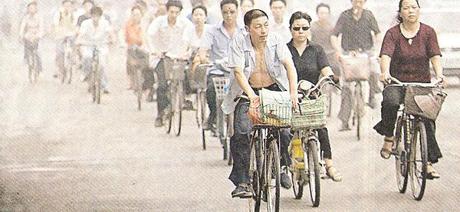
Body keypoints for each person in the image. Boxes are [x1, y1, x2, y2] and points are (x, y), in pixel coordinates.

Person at [223, 9, 298, 198]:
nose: (263, 30)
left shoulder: (276, 40)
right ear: (248, 29)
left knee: (285, 129)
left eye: (265, 25)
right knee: (241, 131)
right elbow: (239, 73)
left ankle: (281, 166)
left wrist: (293, 93)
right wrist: (252, 96)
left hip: (273, 89)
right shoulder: (239, 42)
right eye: (257, 27)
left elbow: (289, 65)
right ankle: (243, 181)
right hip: (247, 92)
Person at [375, 0, 445, 179]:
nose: (410, 11)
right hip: (397, 82)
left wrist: (439, 75)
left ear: (419, 10)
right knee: (390, 102)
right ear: (400, 12)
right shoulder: (392, 33)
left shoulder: (428, 32)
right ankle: (389, 137)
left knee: (427, 117)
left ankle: (428, 163)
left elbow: (435, 55)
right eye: (406, 8)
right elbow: (386, 55)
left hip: (421, 84)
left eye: (414, 7)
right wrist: (384, 72)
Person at [286, 11, 342, 182]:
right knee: (287, 129)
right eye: (297, 28)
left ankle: (329, 165)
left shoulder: (317, 49)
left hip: (311, 94)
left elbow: (325, 68)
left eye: (304, 28)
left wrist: (331, 77)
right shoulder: (284, 50)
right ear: (291, 29)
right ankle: (287, 163)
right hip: (290, 96)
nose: (300, 31)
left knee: (321, 127)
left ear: (309, 29)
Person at [331, 0, 382, 131]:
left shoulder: (369, 15)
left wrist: (376, 48)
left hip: (366, 52)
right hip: (348, 54)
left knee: (375, 71)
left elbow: (377, 33)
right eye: (355, 1)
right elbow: (334, 35)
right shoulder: (344, 15)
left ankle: (371, 97)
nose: (358, 4)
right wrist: (338, 51)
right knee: (346, 87)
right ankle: (344, 121)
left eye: (360, 1)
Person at [198, 0, 245, 133]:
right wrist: (204, 58)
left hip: (239, 72)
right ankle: (213, 116)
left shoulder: (244, 31)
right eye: (225, 12)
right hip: (218, 71)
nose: (229, 15)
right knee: (212, 90)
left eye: (232, 12)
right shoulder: (211, 30)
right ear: (221, 13)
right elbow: (203, 51)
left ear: (237, 11)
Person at [146, 0, 192, 127]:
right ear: (167, 11)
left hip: (179, 57)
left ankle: (185, 99)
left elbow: (191, 39)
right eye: (171, 12)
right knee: (162, 85)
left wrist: (186, 52)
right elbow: (149, 36)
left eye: (177, 12)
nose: (174, 15)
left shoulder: (185, 24)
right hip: (163, 57)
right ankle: (160, 114)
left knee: (189, 75)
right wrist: (154, 50)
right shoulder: (159, 22)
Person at [76, 6, 115, 93]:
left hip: (101, 45)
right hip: (88, 45)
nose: (95, 18)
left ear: (100, 16)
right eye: (93, 16)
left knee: (102, 65)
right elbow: (81, 34)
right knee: (86, 57)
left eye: (97, 16)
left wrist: (112, 39)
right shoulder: (85, 24)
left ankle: (105, 85)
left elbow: (110, 33)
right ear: (91, 16)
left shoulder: (105, 23)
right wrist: (78, 41)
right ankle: (85, 74)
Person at [310, 3, 340, 77]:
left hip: (330, 56)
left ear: (329, 14)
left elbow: (335, 41)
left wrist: (337, 51)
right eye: (321, 13)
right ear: (317, 14)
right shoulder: (312, 27)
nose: (323, 15)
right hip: (316, 55)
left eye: (326, 13)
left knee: (336, 73)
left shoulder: (332, 27)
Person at [124, 6, 149, 90]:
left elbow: (147, 37)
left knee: (148, 65)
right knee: (130, 63)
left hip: (144, 48)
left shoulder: (145, 24)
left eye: (138, 14)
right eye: (134, 14)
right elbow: (124, 36)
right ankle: (131, 82)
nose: (136, 16)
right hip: (132, 47)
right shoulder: (128, 24)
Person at [53, 0, 78, 79]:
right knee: (59, 52)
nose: (67, 8)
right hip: (61, 35)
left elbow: (76, 25)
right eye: (65, 6)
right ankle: (59, 69)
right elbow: (55, 25)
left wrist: (74, 31)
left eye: (69, 6)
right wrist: (58, 32)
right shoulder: (58, 14)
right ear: (62, 6)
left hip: (71, 34)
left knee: (74, 48)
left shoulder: (74, 15)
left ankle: (74, 61)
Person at [19, 1, 43, 75]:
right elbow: (22, 28)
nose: (31, 10)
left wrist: (38, 36)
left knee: (38, 52)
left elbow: (41, 28)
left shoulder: (39, 18)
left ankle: (39, 68)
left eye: (33, 8)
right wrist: (21, 35)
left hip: (37, 35)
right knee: (26, 47)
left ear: (36, 9)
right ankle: (26, 58)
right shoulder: (26, 18)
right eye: (30, 8)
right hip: (28, 35)